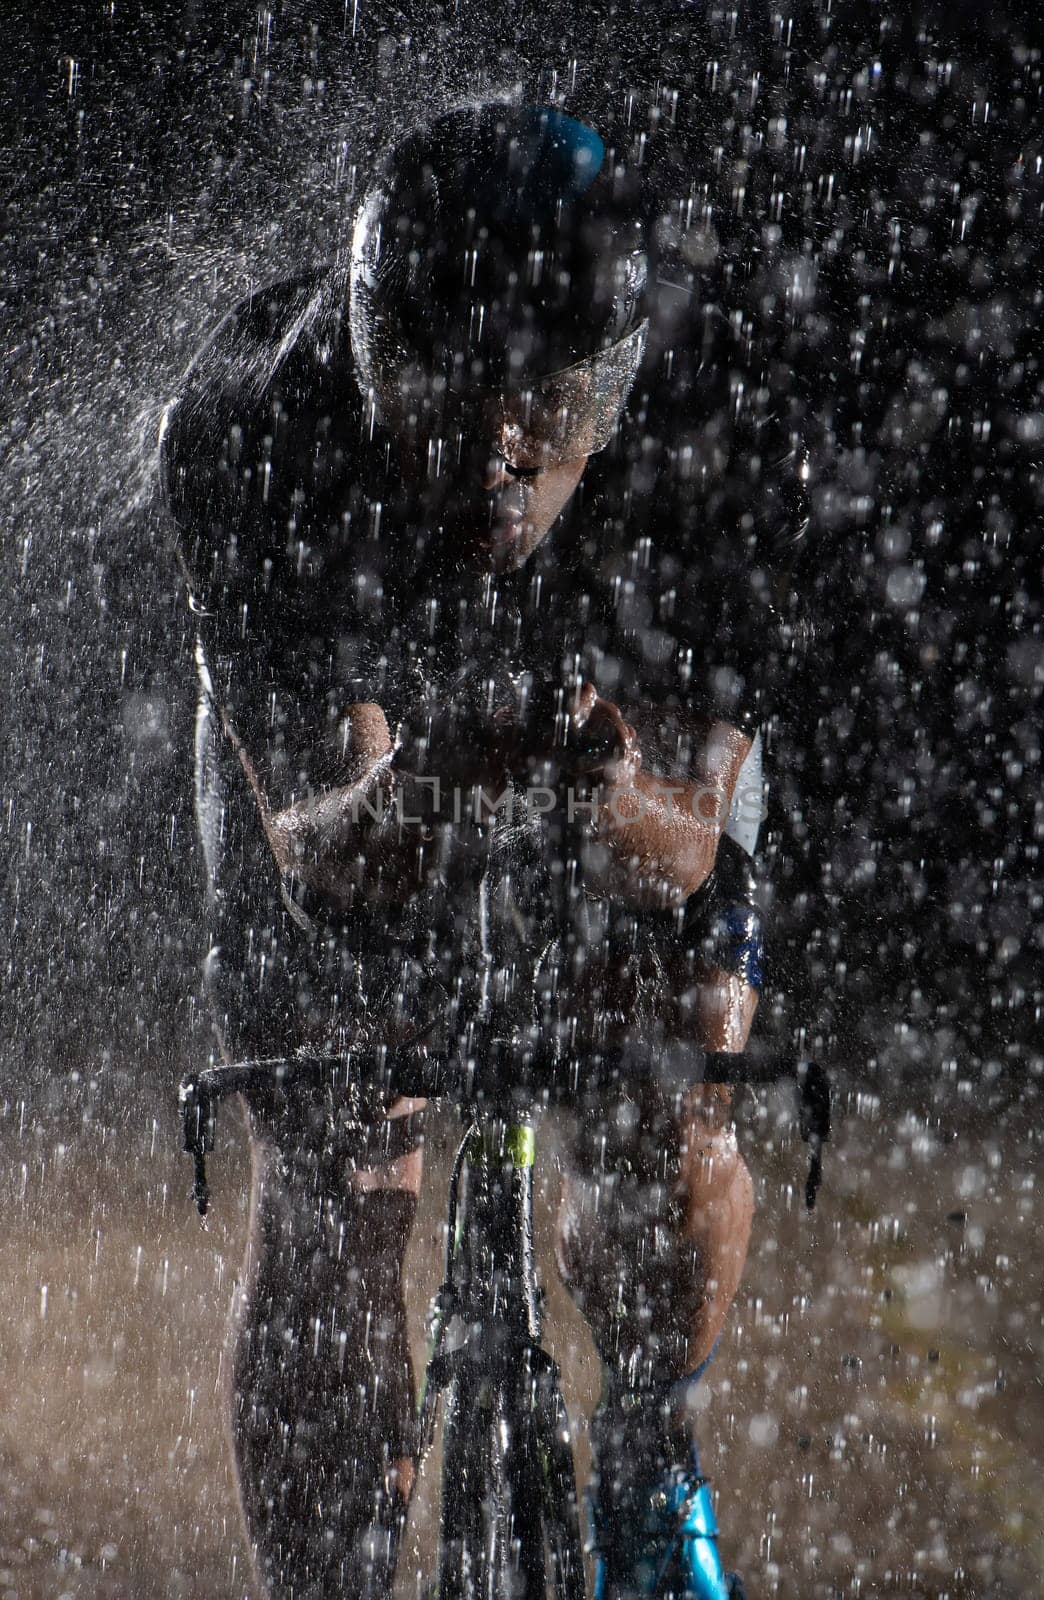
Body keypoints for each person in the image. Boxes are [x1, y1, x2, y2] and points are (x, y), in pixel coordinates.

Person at [160, 101, 774, 1600]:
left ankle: (649, 1447)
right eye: (445, 394)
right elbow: (323, 850)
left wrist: (602, 790)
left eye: (548, 411)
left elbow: (688, 856)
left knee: (678, 1052)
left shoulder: (715, 427)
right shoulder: (254, 423)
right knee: (336, 1157)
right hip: (370, 744)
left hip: (593, 727)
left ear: (617, 390)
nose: (498, 454)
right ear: (370, 365)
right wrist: (428, 784)